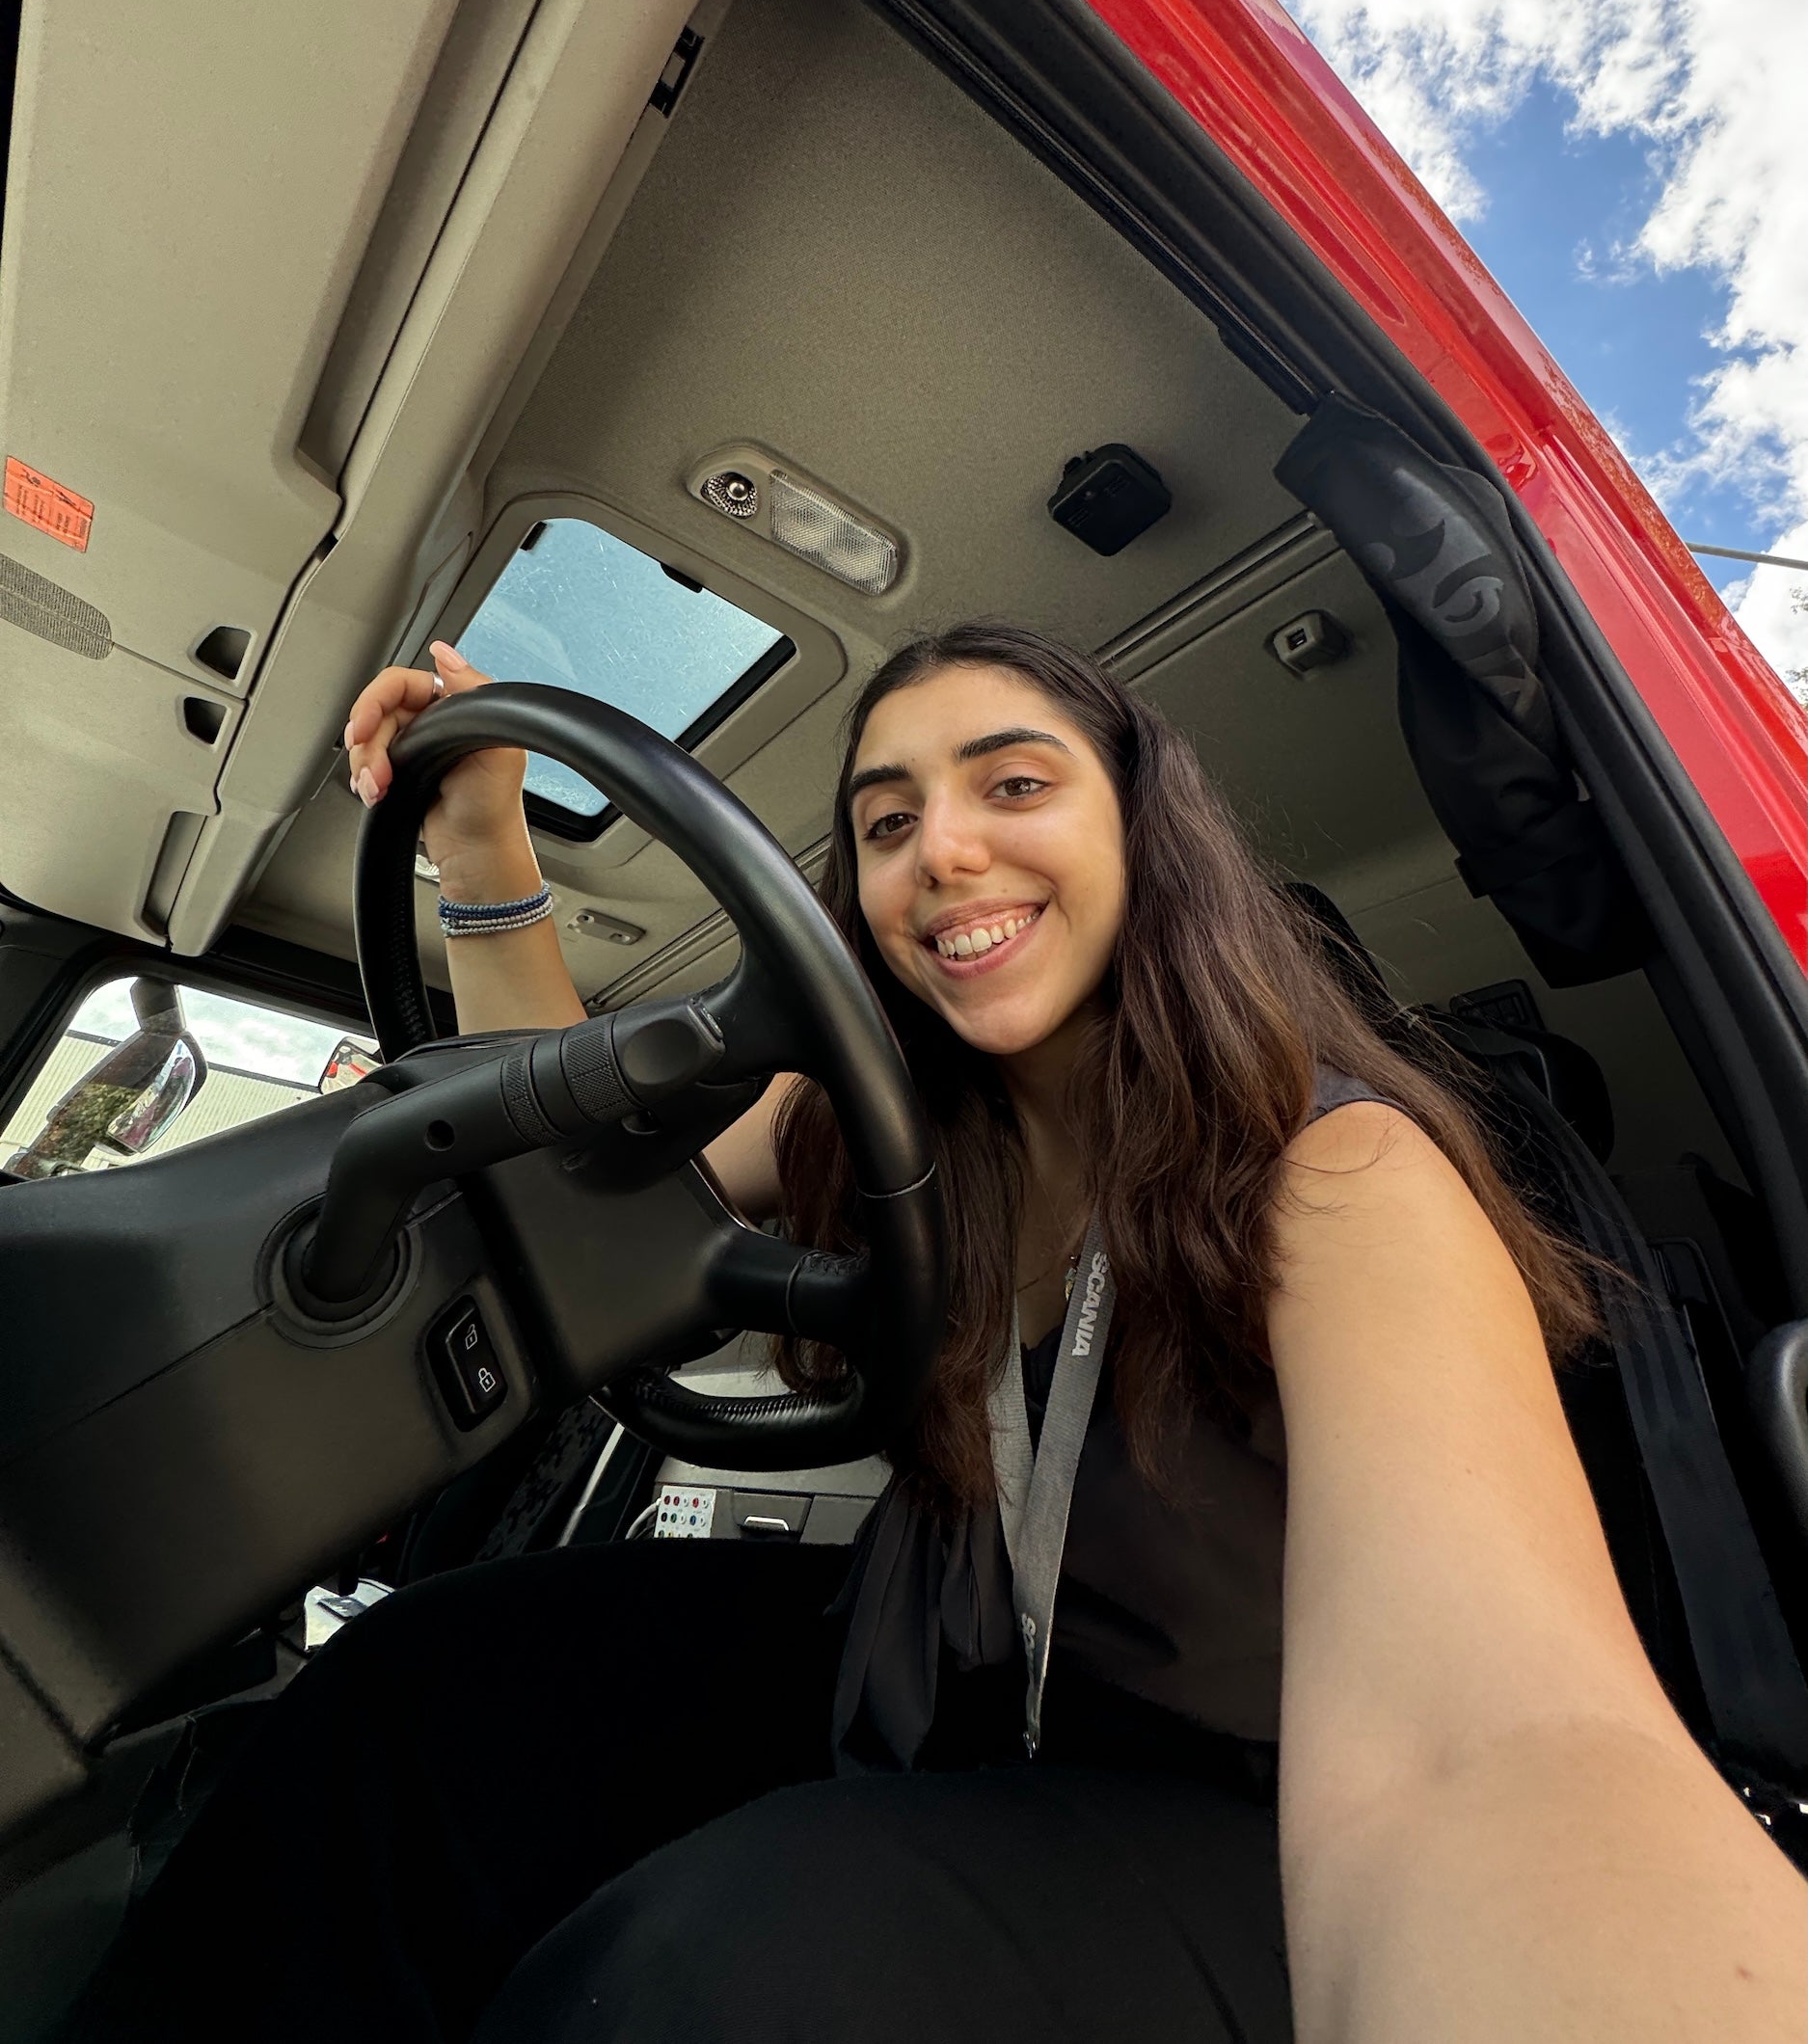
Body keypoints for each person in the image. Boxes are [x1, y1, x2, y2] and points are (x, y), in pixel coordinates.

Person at [67, 623, 1804, 2044]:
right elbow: (591, 1185)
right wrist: (482, 852)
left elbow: (1488, 1746)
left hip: (1217, 1800)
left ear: (1147, 828)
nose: (943, 846)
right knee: (425, 1692)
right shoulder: (878, 1129)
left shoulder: (1336, 1173)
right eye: (886, 820)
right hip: (919, 1667)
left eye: (1014, 783)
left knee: (744, 1959)